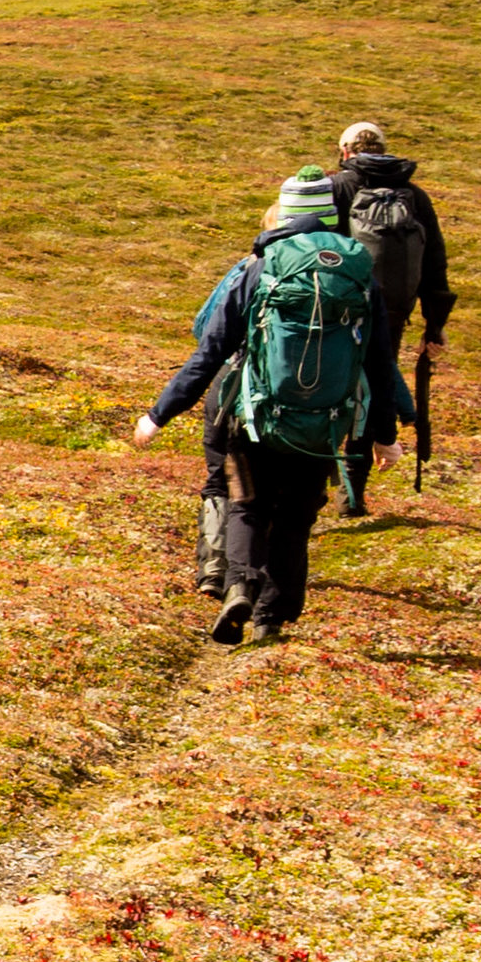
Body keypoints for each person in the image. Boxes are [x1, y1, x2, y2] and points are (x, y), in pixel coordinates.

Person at [130, 163, 369, 647]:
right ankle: (271, 617)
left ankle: (237, 584)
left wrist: (159, 413)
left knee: (247, 504)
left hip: (251, 416)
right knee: (297, 517)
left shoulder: (256, 269)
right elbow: (378, 359)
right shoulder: (358, 272)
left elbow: (209, 348)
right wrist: (384, 430)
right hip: (321, 421)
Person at [324, 119, 456, 519]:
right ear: (384, 149)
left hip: (335, 307)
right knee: (373, 386)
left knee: (327, 387)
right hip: (390, 311)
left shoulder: (336, 187)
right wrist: (434, 326)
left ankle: (314, 479)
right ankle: (354, 495)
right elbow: (434, 264)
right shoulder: (415, 196)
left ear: (345, 151)